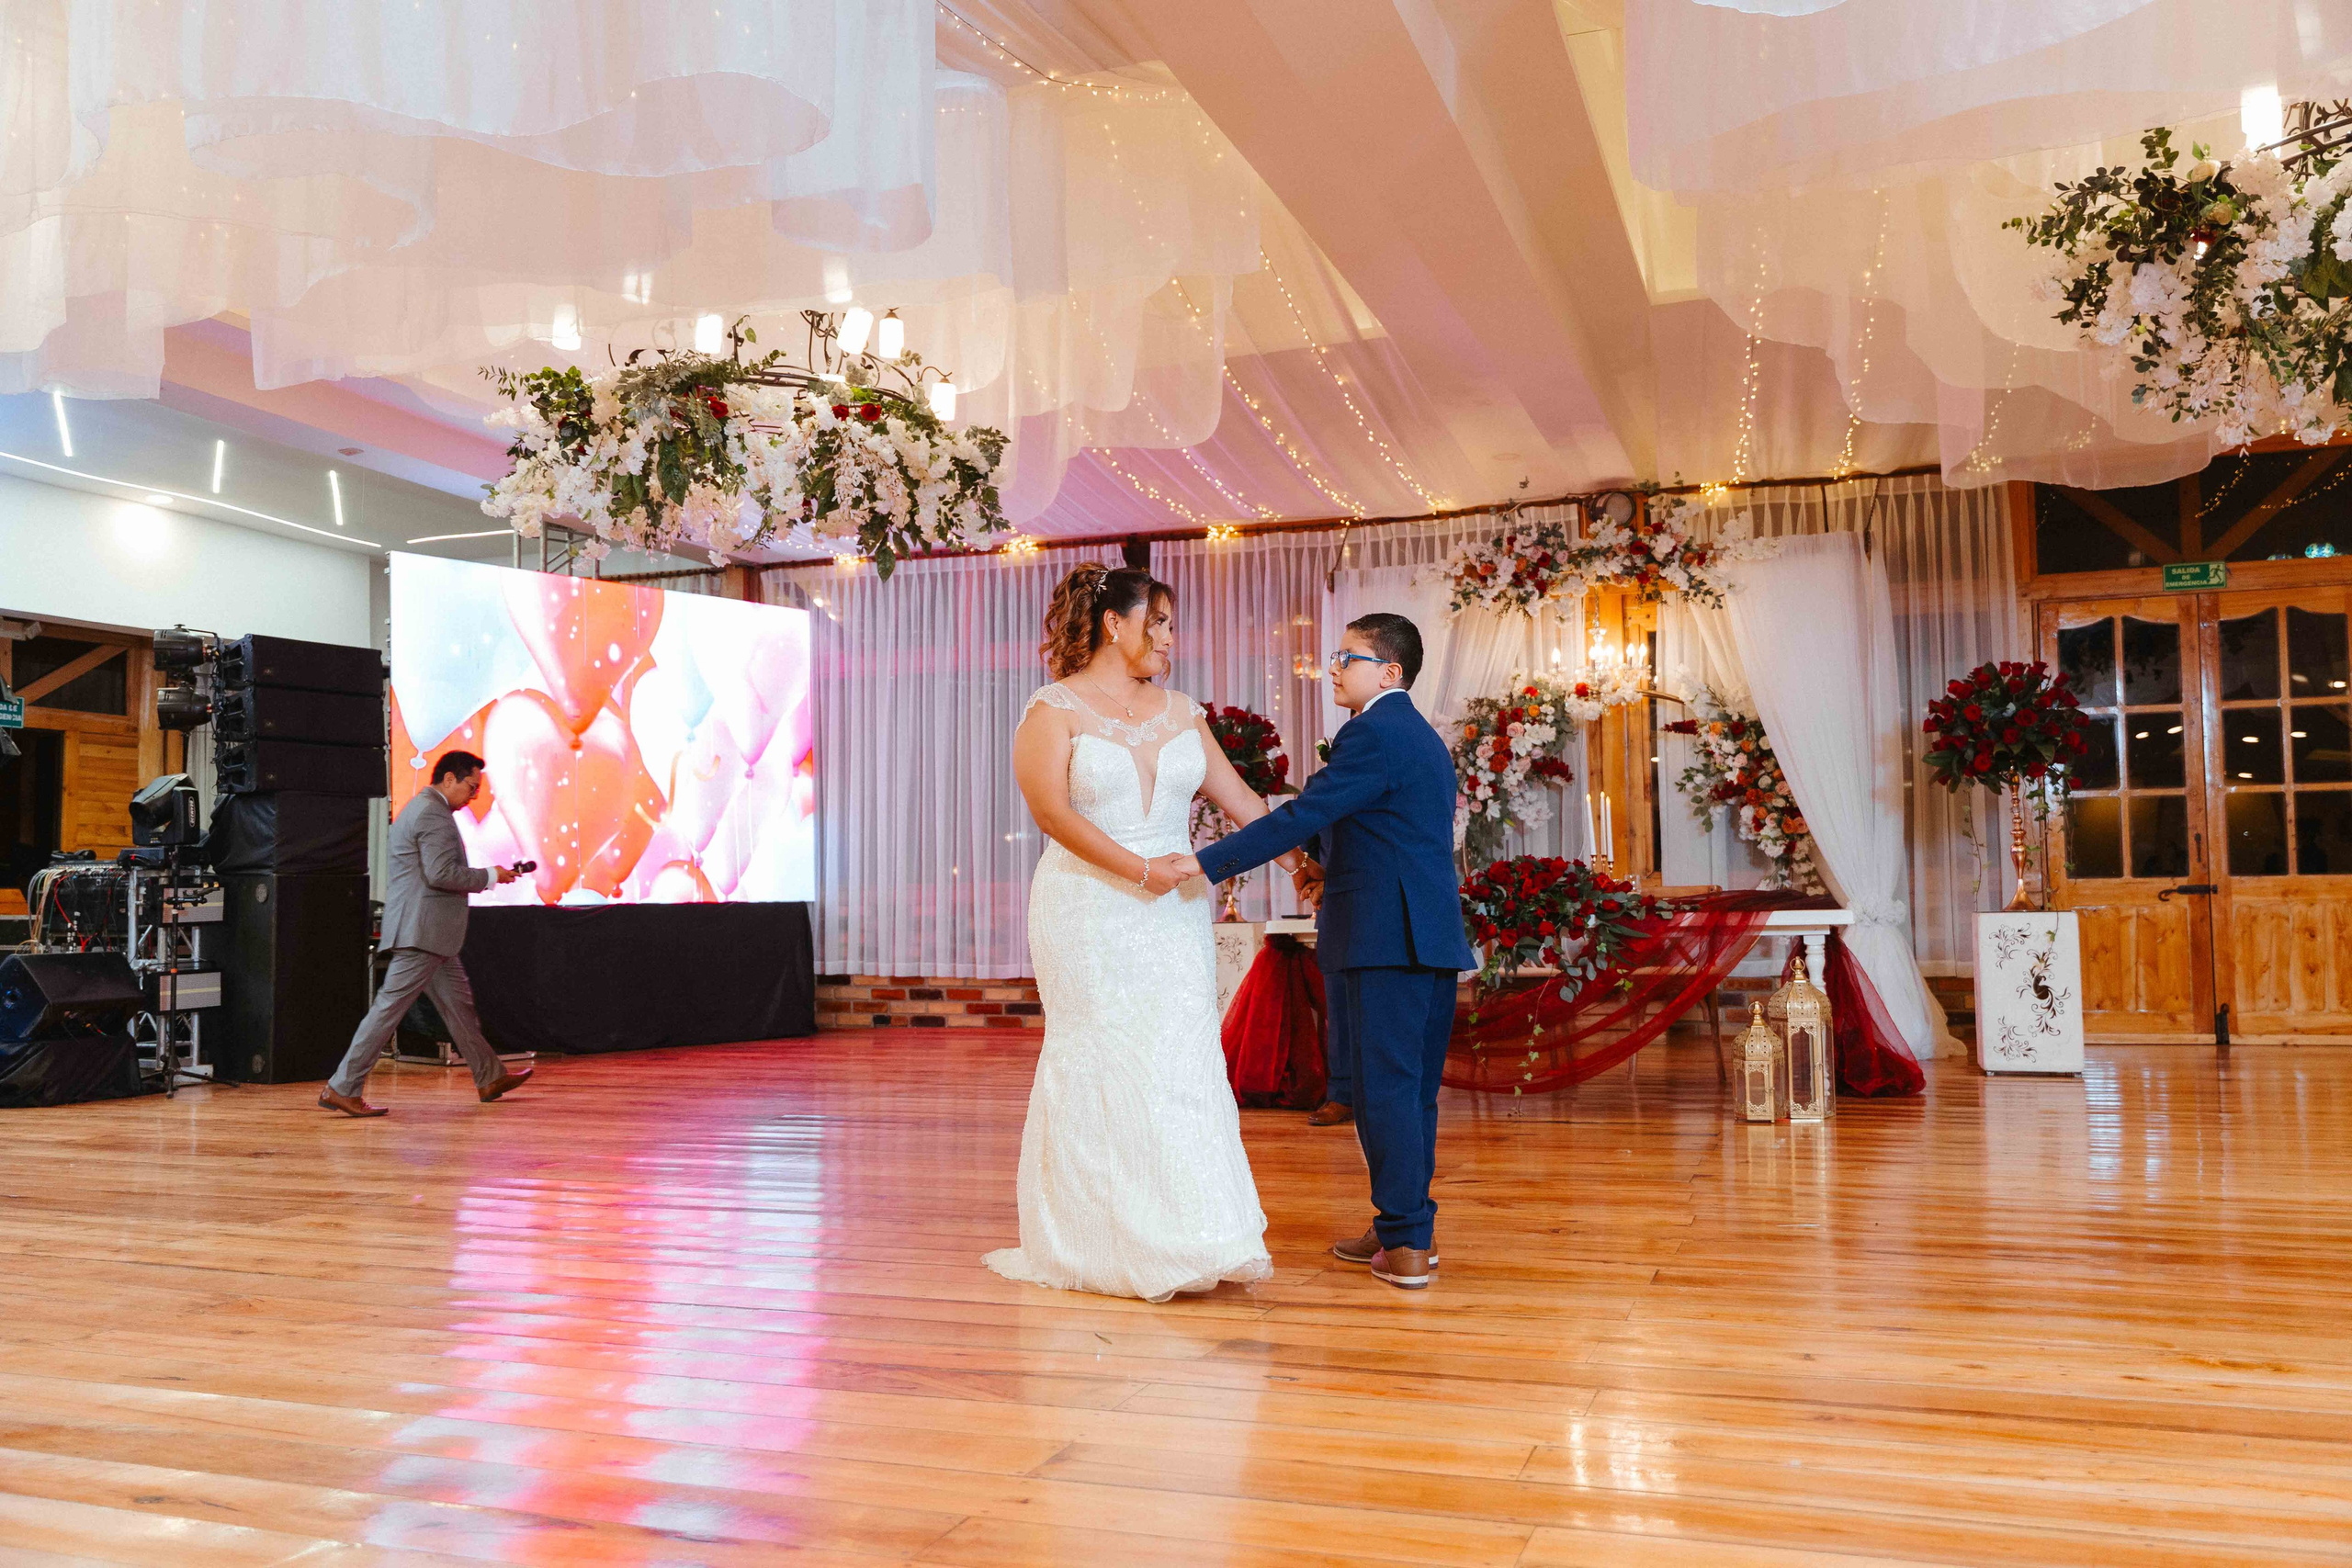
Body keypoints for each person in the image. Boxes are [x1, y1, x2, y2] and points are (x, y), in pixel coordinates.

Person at [983, 564, 1302, 1301]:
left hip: (1175, 910)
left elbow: (1243, 799)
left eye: (1171, 626)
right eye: (1158, 623)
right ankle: (1098, 1240)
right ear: (1113, 624)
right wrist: (1140, 869)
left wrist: (1300, 863)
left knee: (1181, 1057)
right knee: (1100, 1058)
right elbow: (1053, 814)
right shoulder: (1052, 710)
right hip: (1087, 908)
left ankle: (1196, 1233)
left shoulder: (1182, 711)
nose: (1169, 639)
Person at [1174, 614, 1474, 1290]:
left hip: (1384, 939)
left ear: (1390, 671)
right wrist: (1320, 869)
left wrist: (1204, 864)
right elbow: (1376, 826)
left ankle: (1406, 1240)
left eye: (1348, 656)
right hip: (1424, 935)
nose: (1333, 666)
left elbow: (1303, 814)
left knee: (1383, 1093)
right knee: (1410, 1094)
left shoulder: (1372, 732)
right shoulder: (1415, 735)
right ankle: (1404, 1226)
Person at [319, 750, 532, 1117]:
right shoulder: (432, 814)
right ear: (449, 779)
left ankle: (490, 1077)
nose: (474, 795)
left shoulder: (425, 809)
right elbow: (441, 874)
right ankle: (342, 1087)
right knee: (386, 1012)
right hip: (423, 933)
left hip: (430, 934)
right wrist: (491, 876)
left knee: (459, 1009)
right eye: (471, 786)